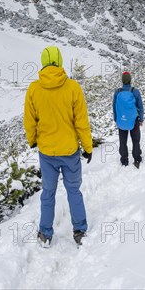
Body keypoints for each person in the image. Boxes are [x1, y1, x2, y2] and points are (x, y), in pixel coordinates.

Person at [24, 46, 93, 247]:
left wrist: (33, 140)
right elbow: (81, 122)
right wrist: (87, 147)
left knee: (48, 193)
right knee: (74, 191)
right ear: (60, 61)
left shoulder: (34, 89)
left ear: (43, 62)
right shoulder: (73, 87)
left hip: (47, 152)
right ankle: (79, 231)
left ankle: (45, 233)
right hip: (70, 151)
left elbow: (29, 121)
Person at [113, 71, 144, 168]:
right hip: (134, 120)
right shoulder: (135, 91)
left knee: (123, 141)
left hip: (121, 120)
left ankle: (124, 160)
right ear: (130, 80)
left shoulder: (117, 92)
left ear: (122, 80)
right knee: (135, 140)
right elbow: (140, 106)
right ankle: (137, 159)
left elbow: (114, 107)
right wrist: (141, 119)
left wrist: (116, 119)